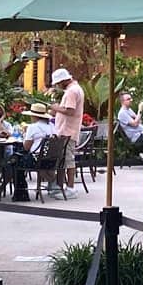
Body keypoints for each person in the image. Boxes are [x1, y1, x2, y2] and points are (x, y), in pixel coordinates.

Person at [50, 66, 84, 196]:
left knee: (68, 160)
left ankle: (70, 188)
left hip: (67, 131)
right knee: (65, 159)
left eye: (58, 83)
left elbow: (70, 110)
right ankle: (62, 186)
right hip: (68, 130)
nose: (58, 86)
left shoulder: (71, 92)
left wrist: (56, 108)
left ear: (63, 80)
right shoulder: (76, 89)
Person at [115, 91, 143, 161]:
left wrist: (137, 117)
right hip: (137, 138)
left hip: (142, 134)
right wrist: (140, 110)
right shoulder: (122, 113)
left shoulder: (129, 110)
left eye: (131, 98)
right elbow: (135, 123)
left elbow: (139, 121)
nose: (131, 100)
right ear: (123, 102)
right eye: (128, 99)